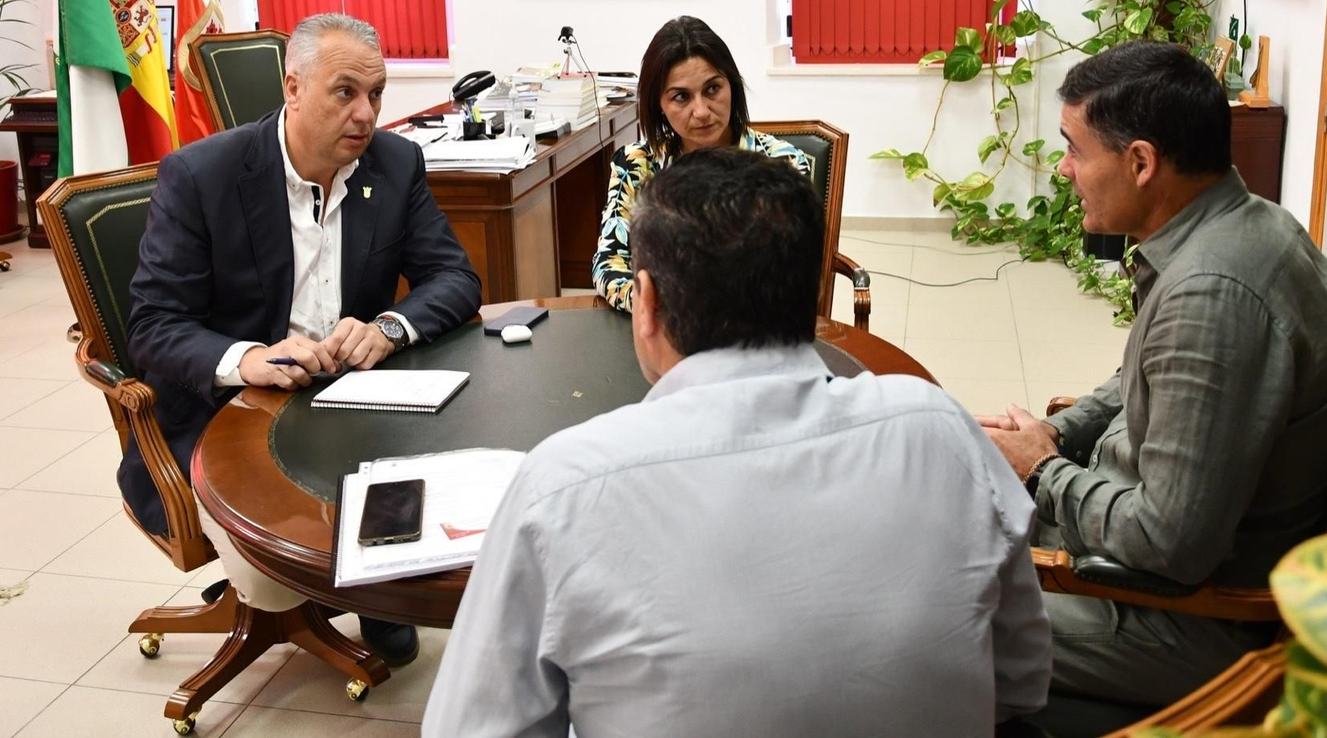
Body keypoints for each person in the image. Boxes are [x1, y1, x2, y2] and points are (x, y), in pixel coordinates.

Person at [423, 149, 1051, 737]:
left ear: (646, 303)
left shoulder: (561, 487)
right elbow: (1021, 680)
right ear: (810, 294)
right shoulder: (941, 429)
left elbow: (474, 726)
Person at [977, 41, 1327, 709]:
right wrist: (1051, 434)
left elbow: (1168, 542)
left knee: (911, 622)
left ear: (1142, 162)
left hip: (1180, 618)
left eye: (1073, 149)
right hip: (1135, 556)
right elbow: (1134, 380)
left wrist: (1042, 471)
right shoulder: (1242, 223)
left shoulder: (1214, 295)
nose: (1064, 169)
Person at [126, 12, 483, 667]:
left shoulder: (394, 164)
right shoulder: (204, 176)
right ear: (293, 88)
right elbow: (153, 326)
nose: (366, 114)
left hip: (351, 397)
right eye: (344, 92)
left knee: (455, 454)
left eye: (376, 95)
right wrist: (248, 359)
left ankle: (379, 590)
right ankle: (335, 584)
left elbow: (455, 277)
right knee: (272, 566)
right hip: (231, 411)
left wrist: (388, 327)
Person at [593, 15, 811, 311]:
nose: (702, 111)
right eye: (681, 97)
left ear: (731, 86)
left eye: (712, 90)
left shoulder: (781, 164)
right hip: (662, 330)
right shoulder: (637, 165)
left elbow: (792, 273)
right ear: (659, 104)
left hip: (751, 333)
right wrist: (666, 308)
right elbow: (609, 266)